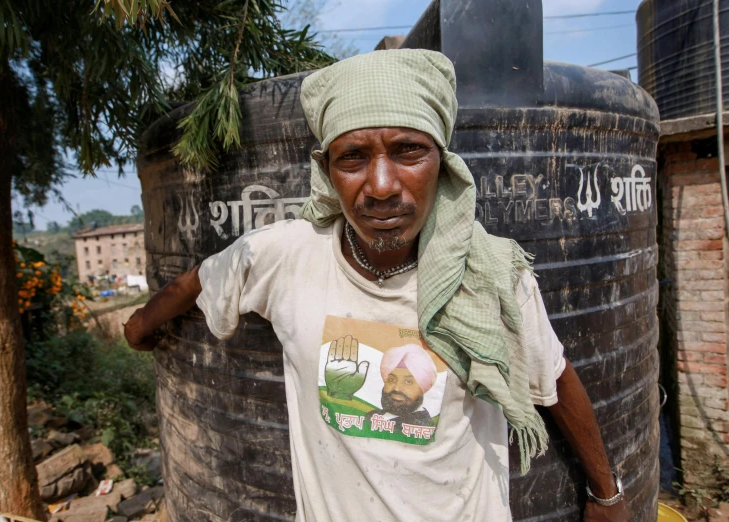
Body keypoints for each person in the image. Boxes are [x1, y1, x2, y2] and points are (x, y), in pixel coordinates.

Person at [125, 49, 631, 522]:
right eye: (352, 158)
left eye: (408, 150)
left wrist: (606, 495)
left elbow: (556, 380)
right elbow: (202, 277)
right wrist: (140, 324)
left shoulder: (490, 276)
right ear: (326, 171)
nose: (383, 185)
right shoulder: (289, 256)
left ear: (443, 164)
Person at [364, 343, 437, 431]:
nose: (397, 388)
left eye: (408, 382)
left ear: (423, 388)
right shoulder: (371, 416)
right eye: (392, 379)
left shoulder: (423, 427)